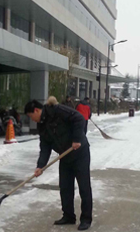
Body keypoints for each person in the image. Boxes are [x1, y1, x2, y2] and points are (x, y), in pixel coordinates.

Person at [25, 97, 92, 231]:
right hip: (65, 155)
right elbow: (45, 147)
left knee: (84, 187)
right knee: (65, 187)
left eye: (31, 116)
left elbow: (79, 118)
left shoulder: (58, 110)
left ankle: (86, 219)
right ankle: (68, 216)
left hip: (80, 153)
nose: (31, 120)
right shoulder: (41, 125)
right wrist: (40, 166)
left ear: (37, 110)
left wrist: (77, 138)